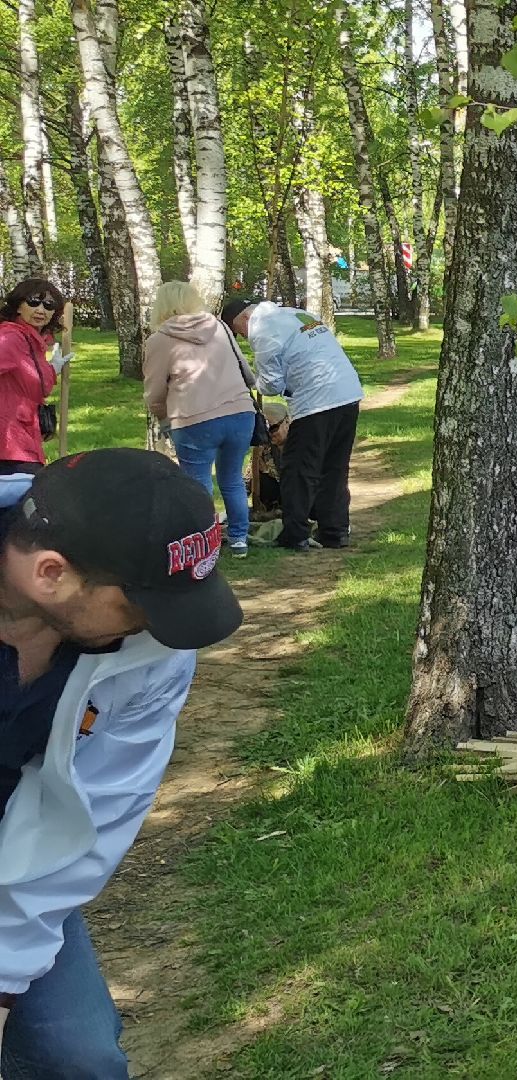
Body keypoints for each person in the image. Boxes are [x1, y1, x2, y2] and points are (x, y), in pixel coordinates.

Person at [0, 447, 246, 1074]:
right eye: (138, 603)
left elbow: (101, 806)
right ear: (50, 574)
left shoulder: (156, 642)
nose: (160, 628)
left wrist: (3, 980)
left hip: (20, 852)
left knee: (77, 1058)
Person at [221, 298, 362, 551]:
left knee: (299, 468)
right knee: (335, 467)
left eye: (237, 332)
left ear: (243, 320)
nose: (242, 338)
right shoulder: (294, 314)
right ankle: (335, 530)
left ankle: (295, 533)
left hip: (316, 400)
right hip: (348, 393)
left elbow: (272, 384)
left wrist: (255, 380)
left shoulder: (261, 332)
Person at [145, 282, 259, 559]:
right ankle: (239, 538)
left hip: (194, 417)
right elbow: (245, 367)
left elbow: (155, 390)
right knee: (231, 478)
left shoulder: (159, 339)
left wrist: (161, 416)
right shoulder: (219, 326)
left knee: (198, 482)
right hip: (240, 411)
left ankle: (206, 541)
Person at [0, 279, 71, 474]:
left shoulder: (34, 342)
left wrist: (52, 369)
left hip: (24, 438)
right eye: (33, 302)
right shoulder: (11, 338)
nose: (41, 309)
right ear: (18, 306)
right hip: (8, 444)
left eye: (49, 305)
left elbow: (36, 385)